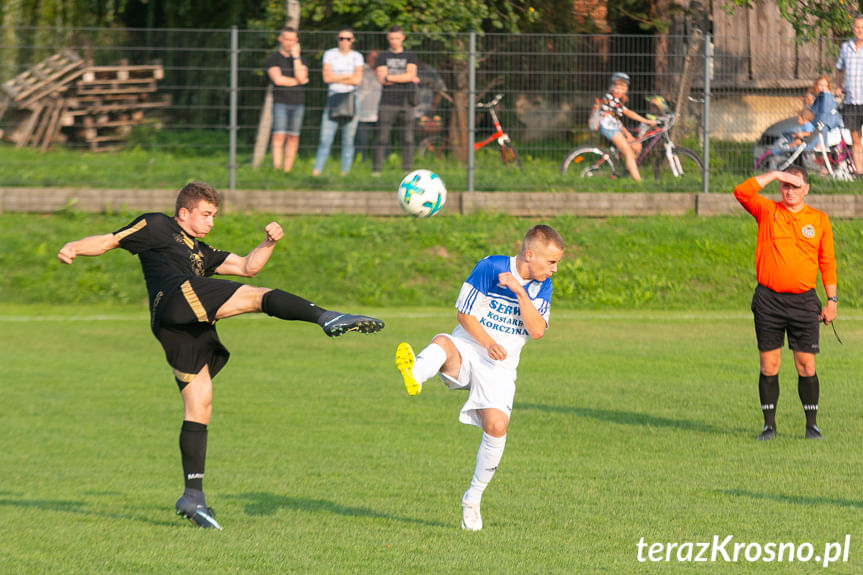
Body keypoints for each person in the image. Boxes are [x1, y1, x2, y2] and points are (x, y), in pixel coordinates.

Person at [56, 182, 385, 530]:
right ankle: (326, 317)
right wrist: (74, 246)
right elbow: (109, 240)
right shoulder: (155, 225)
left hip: (180, 327)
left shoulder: (202, 251)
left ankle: (192, 496)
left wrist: (268, 243)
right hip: (177, 297)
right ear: (183, 213)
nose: (211, 222)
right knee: (257, 298)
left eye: (214, 215)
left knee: (200, 403)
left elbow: (247, 267)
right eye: (206, 215)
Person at [394, 225, 565, 531]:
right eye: (551, 262)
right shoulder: (490, 266)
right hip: (470, 346)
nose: (554, 269)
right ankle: (415, 373)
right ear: (530, 254)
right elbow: (464, 315)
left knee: (497, 426)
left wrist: (518, 291)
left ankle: (473, 499)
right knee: (444, 344)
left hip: (500, 367)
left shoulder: (541, 286)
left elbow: (537, 330)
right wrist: (488, 343)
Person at [733, 167, 837, 442]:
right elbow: (741, 192)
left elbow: (827, 262)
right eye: (786, 185)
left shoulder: (818, 220)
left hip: (804, 302)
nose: (790, 191)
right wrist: (777, 173)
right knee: (769, 365)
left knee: (806, 366)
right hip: (769, 300)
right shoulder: (768, 211)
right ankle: (769, 426)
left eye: (795, 185)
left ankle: (812, 426)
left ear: (807, 189)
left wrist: (832, 300)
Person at [312, 27, 364, 176]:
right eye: (341, 38)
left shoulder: (357, 56)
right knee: (325, 138)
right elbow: (327, 78)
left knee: (348, 139)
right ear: (337, 39)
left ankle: (345, 172)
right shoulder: (329, 54)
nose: (344, 42)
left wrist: (337, 76)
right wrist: (348, 77)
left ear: (352, 40)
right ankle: (317, 170)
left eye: (348, 39)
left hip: (351, 98)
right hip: (333, 98)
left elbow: (357, 80)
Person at [373, 25, 420, 176]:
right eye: (392, 38)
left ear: (403, 37)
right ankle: (377, 170)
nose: (394, 41)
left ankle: (407, 169)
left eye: (397, 38)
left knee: (407, 138)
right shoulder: (382, 56)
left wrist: (390, 77)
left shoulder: (410, 56)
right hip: (387, 102)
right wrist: (404, 77)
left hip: (406, 102)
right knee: (381, 137)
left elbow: (410, 75)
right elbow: (381, 79)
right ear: (388, 38)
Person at [596, 72, 657, 183]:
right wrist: (647, 121)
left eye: (622, 88)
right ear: (612, 87)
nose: (619, 90)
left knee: (637, 146)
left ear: (626, 89)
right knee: (628, 152)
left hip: (614, 127)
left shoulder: (616, 100)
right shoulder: (610, 99)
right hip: (608, 128)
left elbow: (616, 120)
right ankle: (638, 182)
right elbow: (628, 113)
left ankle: (627, 170)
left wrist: (628, 135)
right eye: (617, 87)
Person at [266, 26, 309, 173]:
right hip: (280, 102)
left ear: (296, 41)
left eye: (292, 39)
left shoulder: (301, 59)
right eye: (286, 39)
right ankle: (277, 169)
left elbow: (303, 77)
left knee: (293, 136)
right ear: (280, 39)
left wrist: (296, 57)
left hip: (298, 103)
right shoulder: (273, 58)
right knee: (279, 134)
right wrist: (296, 80)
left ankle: (287, 171)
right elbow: (278, 80)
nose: (289, 42)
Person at [834, 14, 863, 175]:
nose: (859, 31)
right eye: (857, 27)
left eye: (862, 28)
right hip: (851, 100)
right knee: (855, 137)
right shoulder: (846, 48)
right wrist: (838, 86)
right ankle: (860, 172)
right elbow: (839, 68)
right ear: (853, 29)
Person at [355, 50, 382, 163]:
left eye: (377, 58)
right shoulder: (361, 70)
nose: (374, 60)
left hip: (380, 112)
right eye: (372, 58)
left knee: (382, 140)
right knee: (361, 140)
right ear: (367, 58)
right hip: (363, 113)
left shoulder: (384, 71)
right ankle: (360, 161)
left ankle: (383, 160)